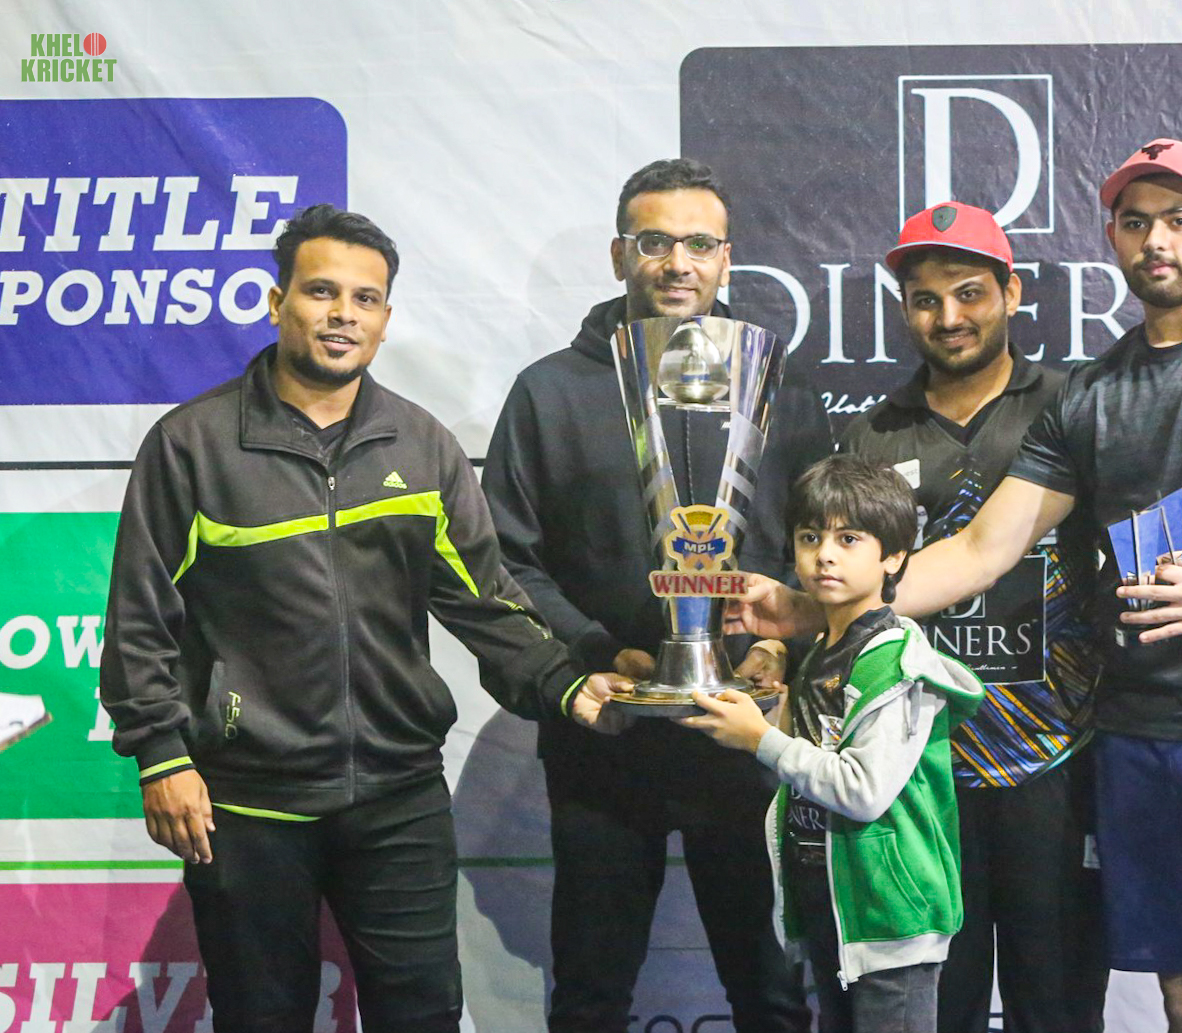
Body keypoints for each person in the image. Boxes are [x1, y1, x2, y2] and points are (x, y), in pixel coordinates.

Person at [731, 139, 1182, 1033]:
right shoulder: (1089, 394)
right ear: (1112, 239)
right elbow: (981, 550)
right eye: (1135, 222)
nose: (1155, 240)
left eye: (1178, 219)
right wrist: (806, 606)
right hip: (1134, 732)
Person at [99, 203, 627, 1033]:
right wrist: (160, 753)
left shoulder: (420, 444)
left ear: (384, 318)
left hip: (397, 797)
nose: (343, 313)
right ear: (277, 303)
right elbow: (139, 616)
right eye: (321, 291)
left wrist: (565, 681)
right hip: (248, 805)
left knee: (421, 1017)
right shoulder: (191, 444)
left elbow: (486, 598)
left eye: (365, 298)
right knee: (259, 1020)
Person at [480, 158, 826, 1032]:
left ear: (726, 258)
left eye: (700, 243)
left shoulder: (779, 386)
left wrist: (776, 645)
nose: (678, 262)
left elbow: (819, 547)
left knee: (772, 991)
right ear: (618, 254)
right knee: (591, 993)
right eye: (655, 242)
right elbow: (507, 560)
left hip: (746, 737)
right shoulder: (549, 392)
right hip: (607, 735)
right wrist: (598, 653)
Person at [842, 201, 1107, 1032]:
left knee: (1057, 1005)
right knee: (936, 1008)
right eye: (925, 300)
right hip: (921, 770)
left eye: (968, 293)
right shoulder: (870, 434)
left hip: (1053, 758)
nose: (948, 317)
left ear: (1010, 293)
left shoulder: (1073, 405)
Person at [682, 454, 983, 1033]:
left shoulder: (896, 662)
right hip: (835, 904)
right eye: (809, 537)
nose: (824, 554)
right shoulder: (822, 650)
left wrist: (761, 739)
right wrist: (752, 710)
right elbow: (817, 753)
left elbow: (862, 790)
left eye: (849, 539)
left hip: (890, 918)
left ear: (894, 556)